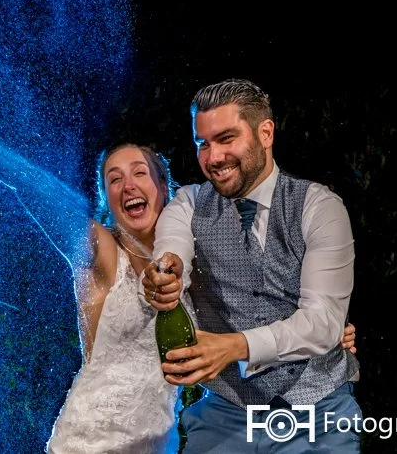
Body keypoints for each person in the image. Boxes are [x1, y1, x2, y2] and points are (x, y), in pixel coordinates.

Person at [47, 142, 357, 453]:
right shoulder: (101, 250)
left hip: (157, 441)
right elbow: (52, 208)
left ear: (164, 186)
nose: (128, 186)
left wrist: (325, 332)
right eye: (115, 179)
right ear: (106, 197)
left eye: (139, 173)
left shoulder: (192, 269)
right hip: (91, 438)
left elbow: (256, 311)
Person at [142, 79, 361, 452]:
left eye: (226, 139)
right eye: (202, 143)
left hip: (319, 410)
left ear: (265, 133)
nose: (213, 157)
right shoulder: (188, 204)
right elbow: (172, 250)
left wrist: (236, 346)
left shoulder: (320, 207)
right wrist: (167, 272)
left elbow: (324, 322)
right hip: (224, 413)